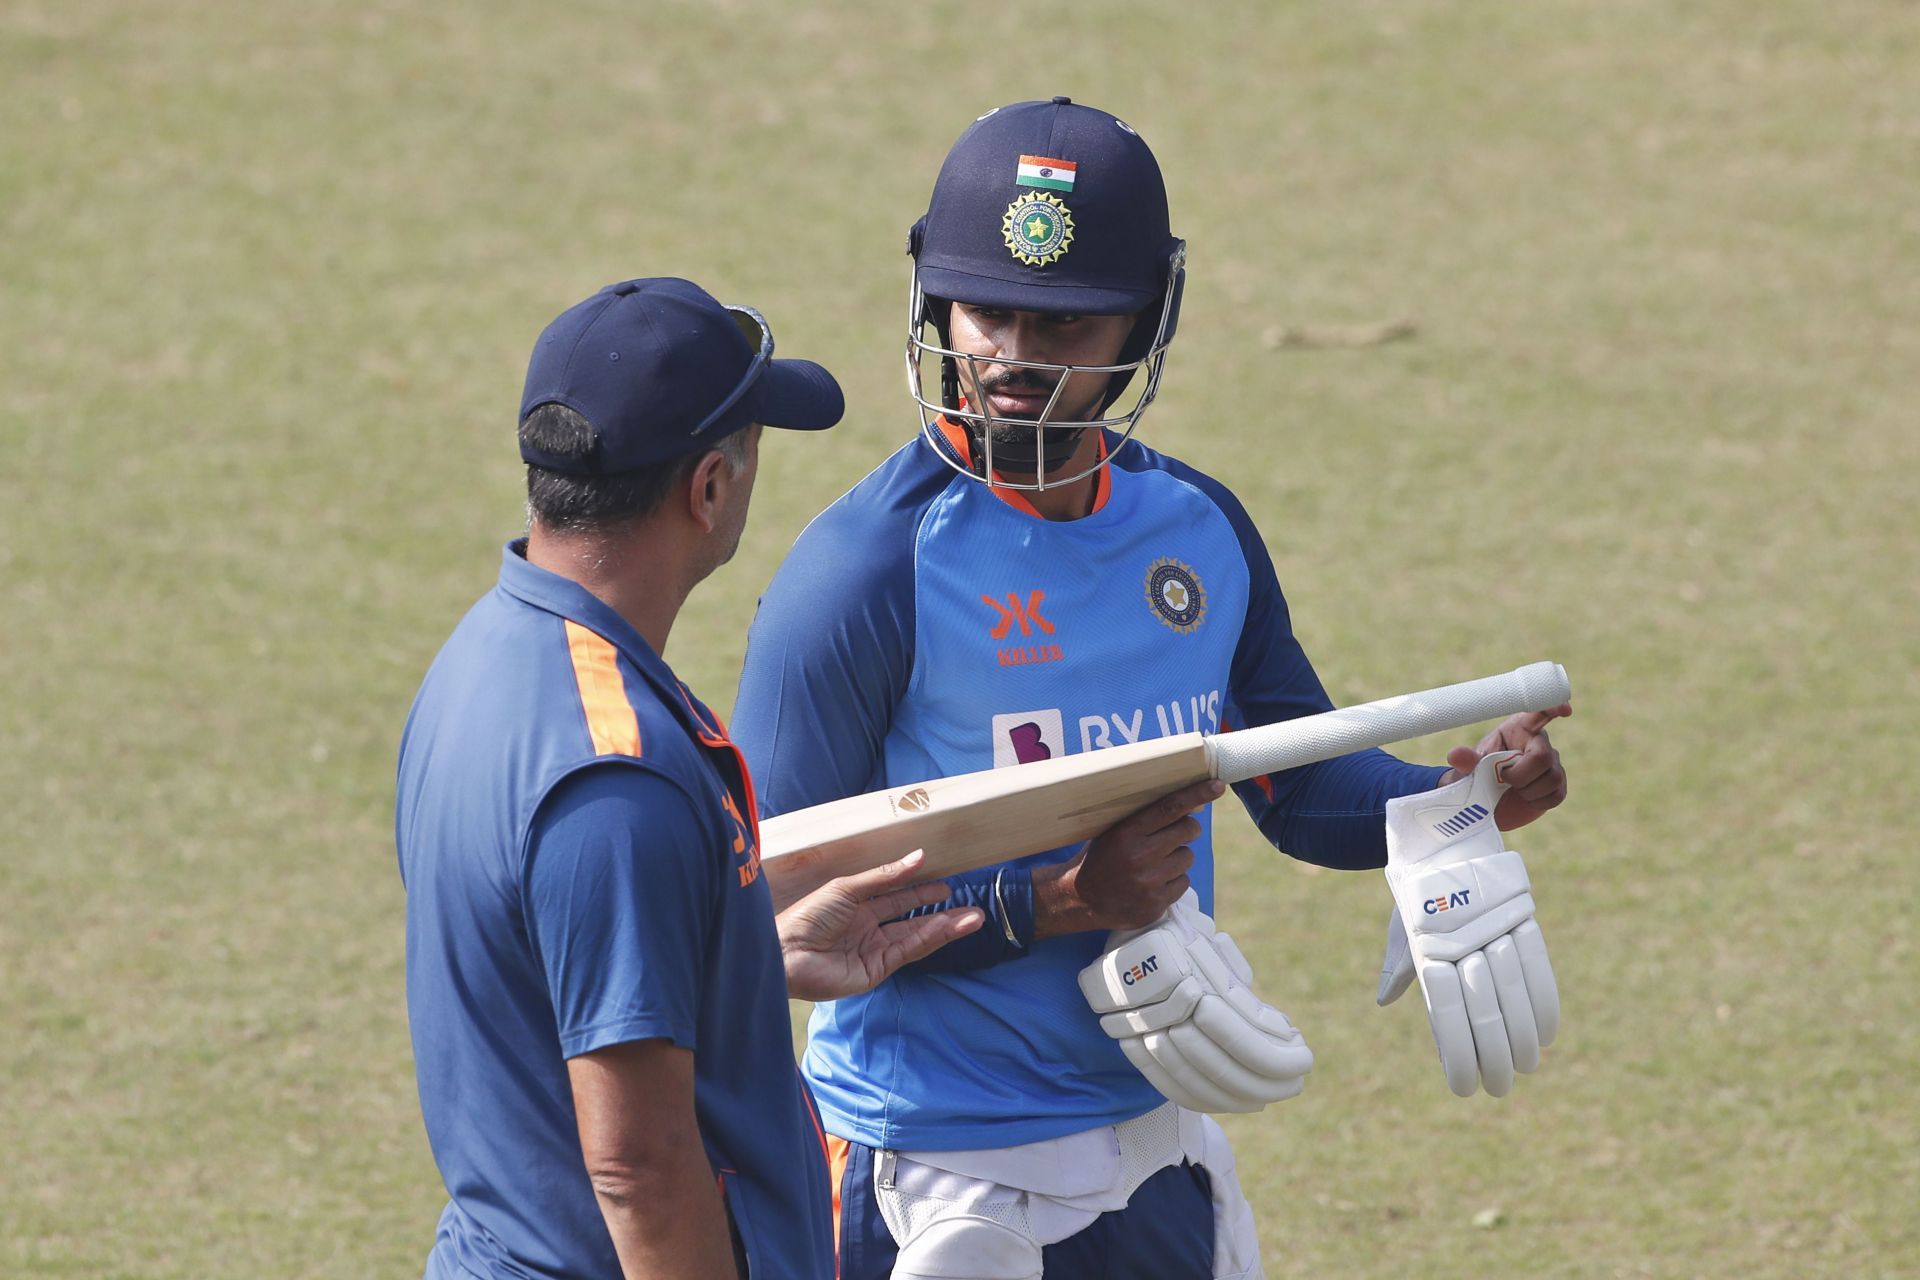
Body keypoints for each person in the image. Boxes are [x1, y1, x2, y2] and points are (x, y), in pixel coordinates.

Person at [731, 100, 1570, 1280]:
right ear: (935, 305)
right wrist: (1054, 899)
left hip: (1158, 1147)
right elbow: (765, 901)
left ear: (1148, 318)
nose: (1015, 355)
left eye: (1066, 325)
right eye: (990, 311)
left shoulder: (1198, 528)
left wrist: (1446, 799)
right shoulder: (861, 572)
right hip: (933, 1173)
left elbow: (1296, 778)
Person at [396, 277, 982, 1280]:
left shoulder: (482, 656)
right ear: (708, 486)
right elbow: (640, 1163)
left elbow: (546, 973)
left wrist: (743, 958)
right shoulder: (615, 774)